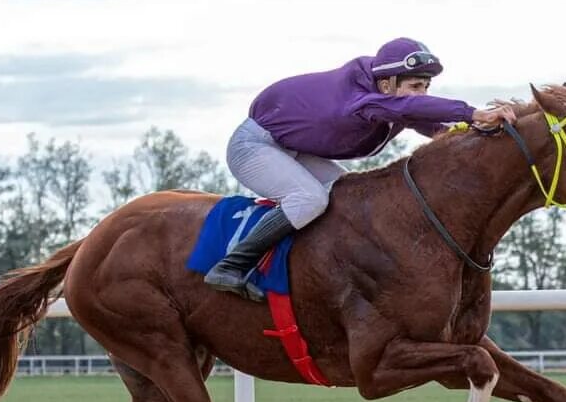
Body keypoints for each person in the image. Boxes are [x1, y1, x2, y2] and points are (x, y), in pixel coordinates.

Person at [203, 37, 517, 300]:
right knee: (310, 199)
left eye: (426, 86)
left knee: (350, 199)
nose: (422, 94)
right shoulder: (361, 101)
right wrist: (473, 113)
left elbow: (433, 124)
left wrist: (480, 136)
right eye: (416, 86)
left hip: (292, 149)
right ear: (386, 83)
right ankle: (231, 266)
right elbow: (409, 109)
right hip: (255, 147)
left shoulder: (384, 91)